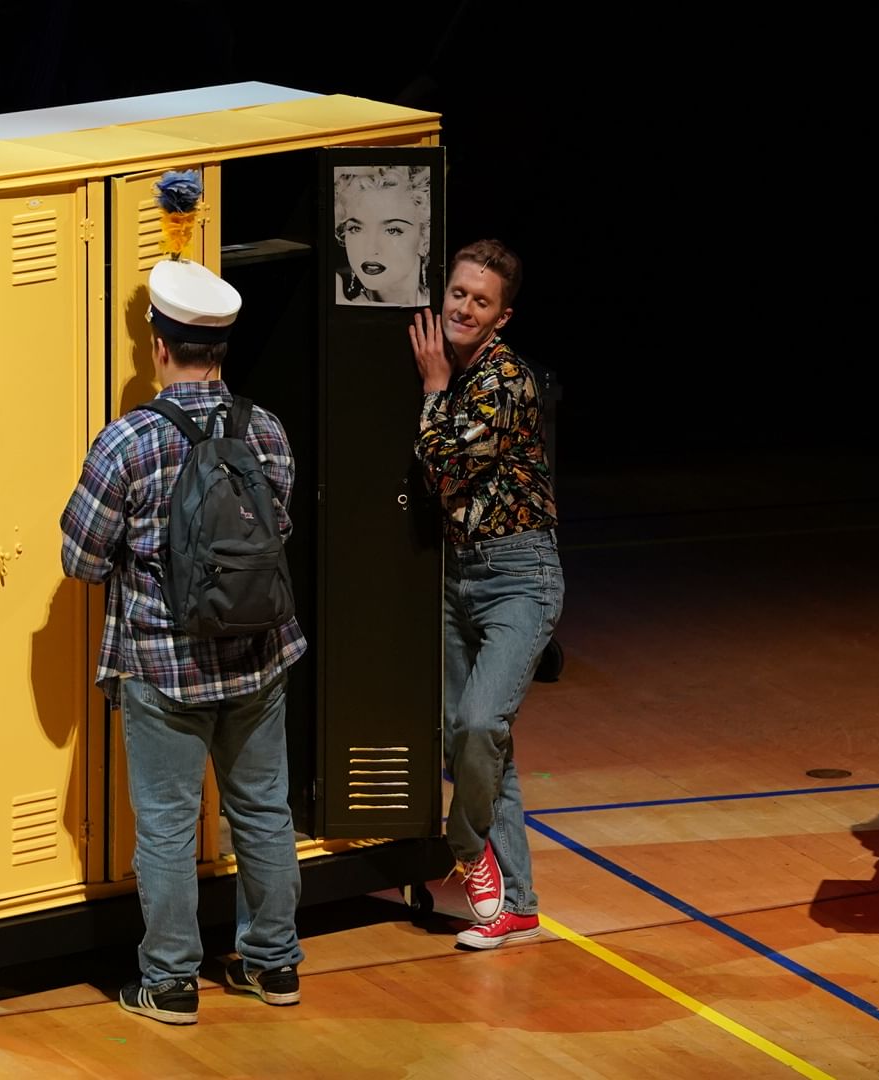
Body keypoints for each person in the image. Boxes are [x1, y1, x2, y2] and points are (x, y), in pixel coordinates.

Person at [60, 258, 307, 1024]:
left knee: (167, 824)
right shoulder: (264, 428)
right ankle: (275, 967)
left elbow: (81, 557)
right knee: (264, 812)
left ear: (158, 347)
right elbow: (281, 528)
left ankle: (170, 983)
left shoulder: (128, 442)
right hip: (260, 656)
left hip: (164, 669)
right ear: (221, 350)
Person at [408, 239, 562, 949]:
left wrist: (434, 390)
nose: (465, 307)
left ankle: (466, 848)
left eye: (481, 300)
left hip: (518, 577)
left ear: (502, 316)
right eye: (459, 294)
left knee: (477, 728)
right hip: (456, 575)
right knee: (476, 744)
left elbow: (443, 468)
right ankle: (516, 905)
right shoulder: (454, 369)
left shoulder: (505, 383)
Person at [333, 165, 432, 307]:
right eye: (355, 228)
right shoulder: (342, 315)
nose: (370, 248)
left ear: (425, 240)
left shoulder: (449, 309)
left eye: (392, 230)